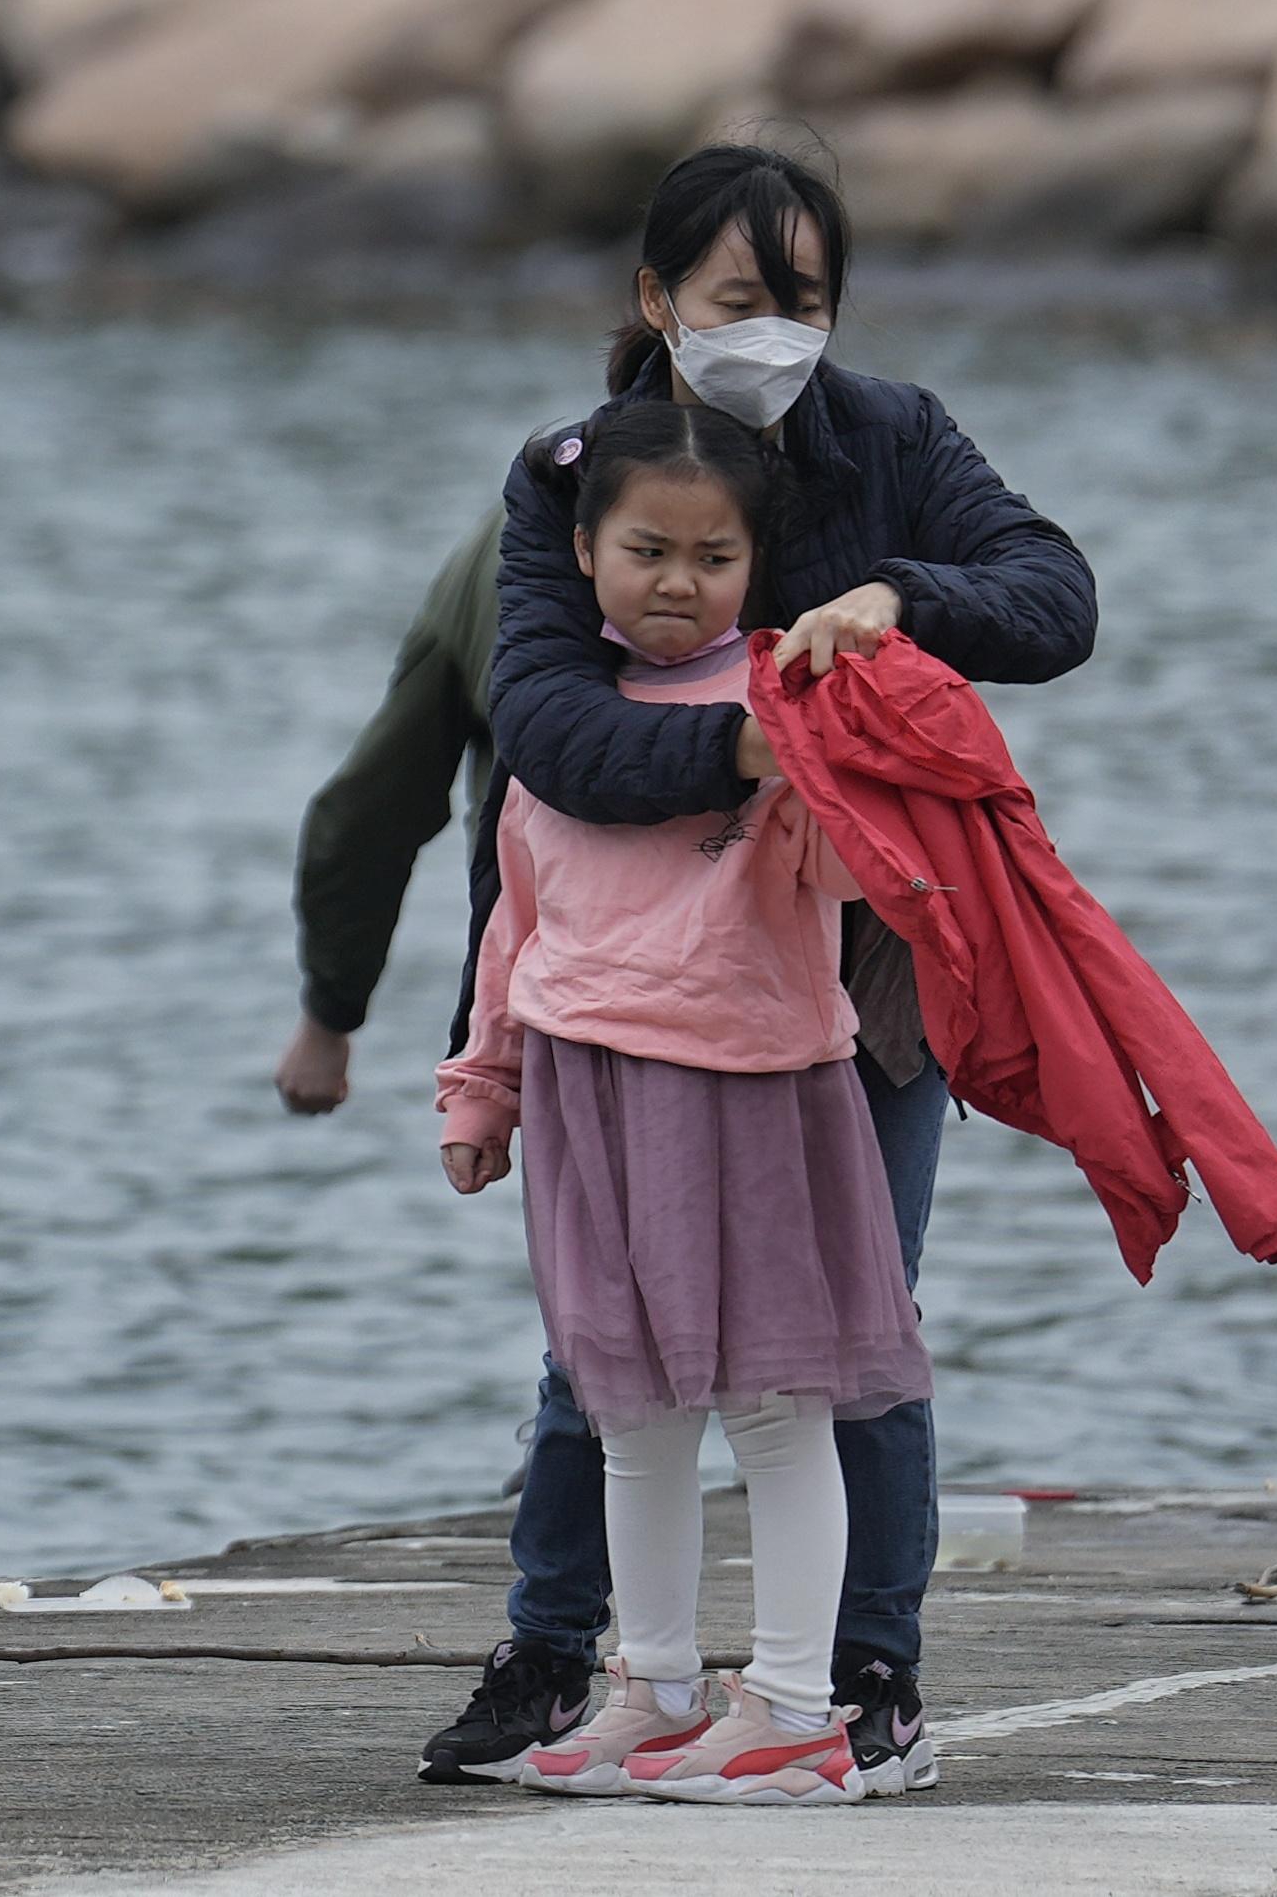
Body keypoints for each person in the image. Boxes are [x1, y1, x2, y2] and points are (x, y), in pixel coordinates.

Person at [419, 138, 1095, 1800]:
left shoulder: (889, 438)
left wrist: (894, 598)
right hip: (617, 976)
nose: (775, 331)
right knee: (602, 1351)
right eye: (739, 299)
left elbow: (1052, 597)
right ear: (657, 303)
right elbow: (548, 738)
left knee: (852, 1337)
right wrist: (761, 748)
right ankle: (558, 1656)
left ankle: (862, 1681)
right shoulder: (577, 473)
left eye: (804, 300)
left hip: (853, 983)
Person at [435, 395, 931, 1804]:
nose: (674, 579)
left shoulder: (782, 701)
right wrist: (482, 1088)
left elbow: (860, 882)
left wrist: (836, 756)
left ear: (753, 569)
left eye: (711, 556)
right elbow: (511, 929)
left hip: (756, 1093)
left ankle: (788, 1700)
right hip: (591, 1092)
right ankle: (649, 1684)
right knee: (626, 1406)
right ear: (580, 550)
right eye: (644, 546)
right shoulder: (560, 721)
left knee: (777, 1405)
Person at [273, 511, 498, 1117]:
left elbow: (371, 809)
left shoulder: (521, 520)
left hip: (554, 986)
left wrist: (329, 1015)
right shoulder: (771, 501)